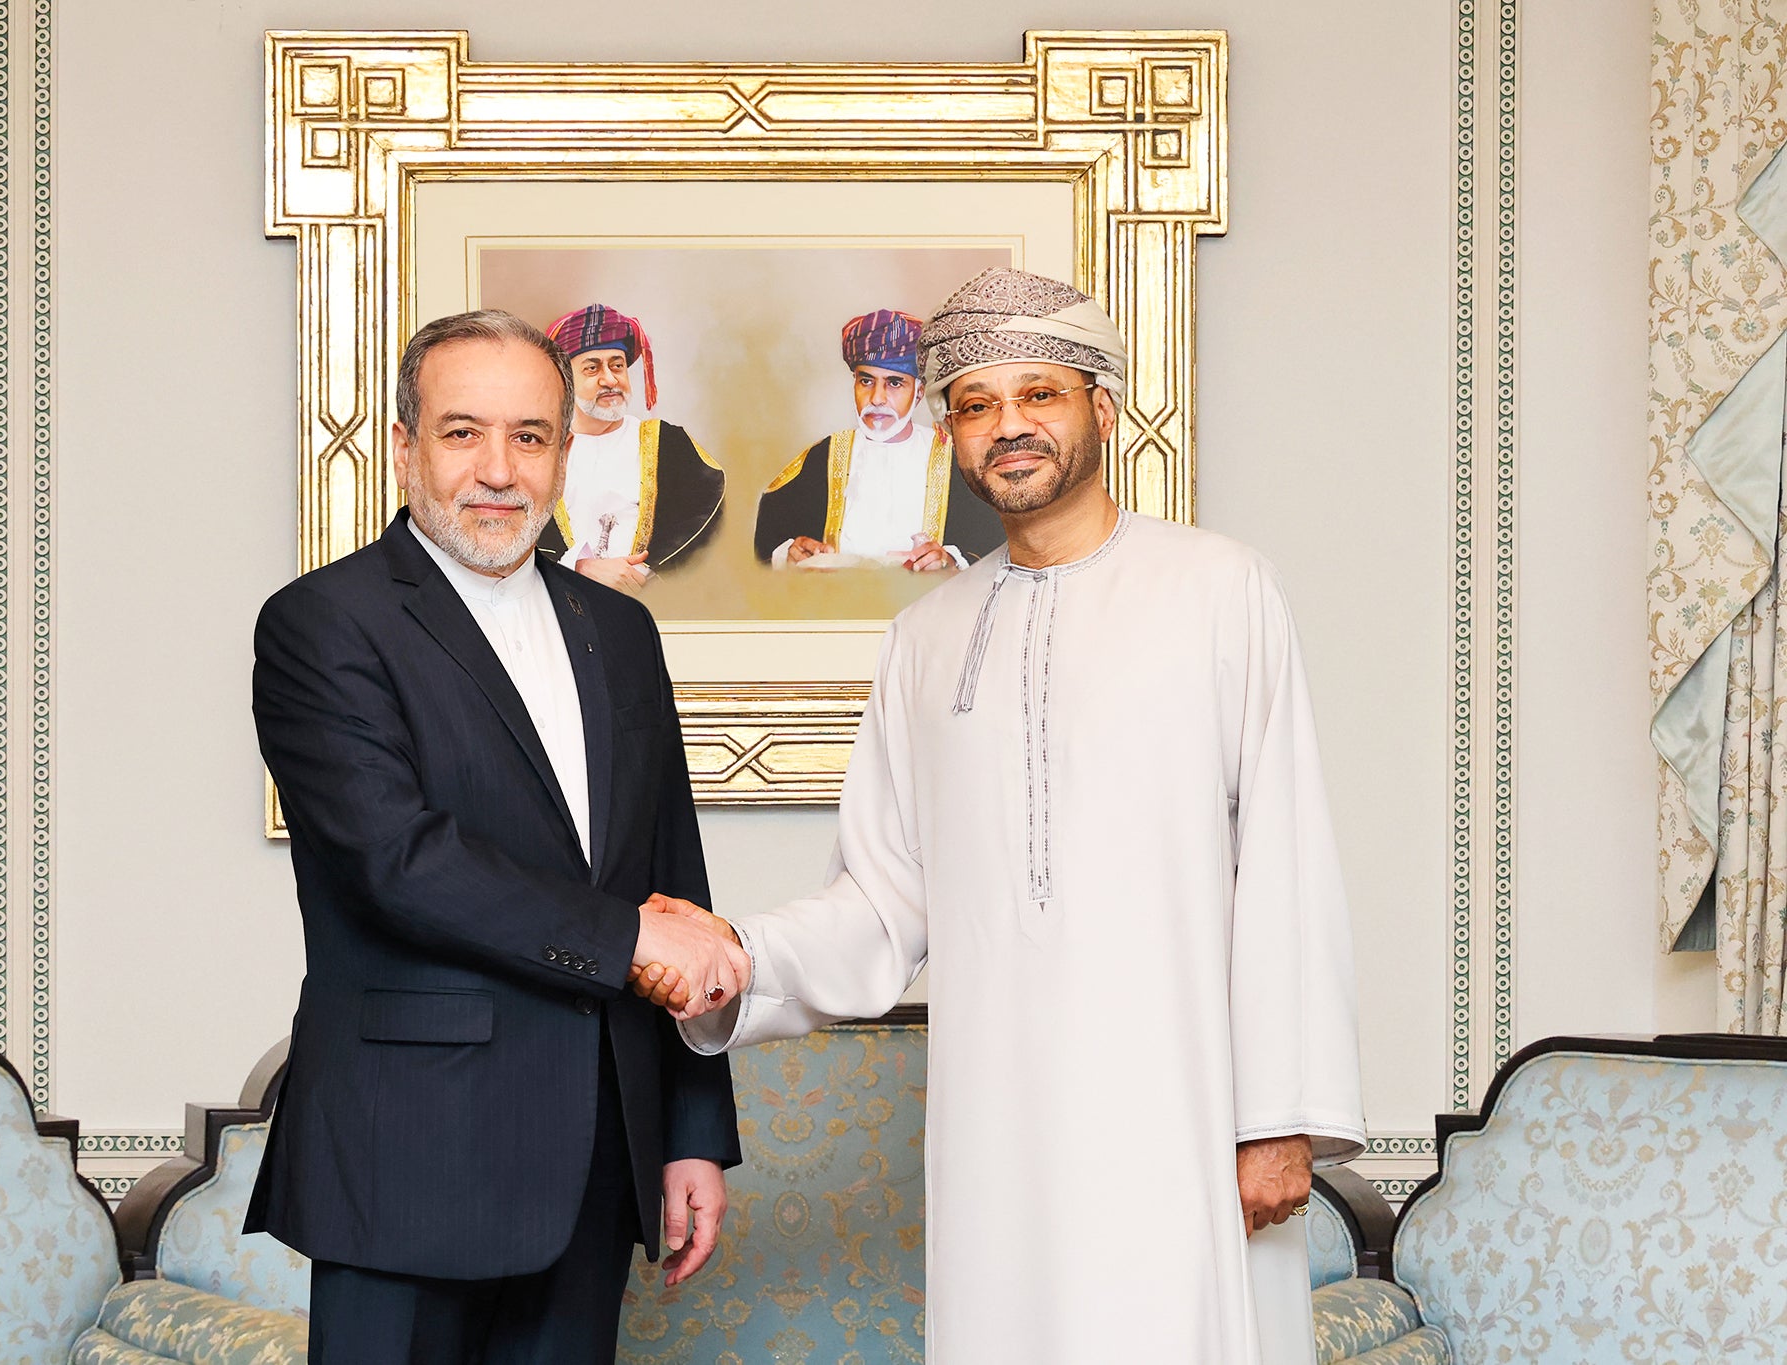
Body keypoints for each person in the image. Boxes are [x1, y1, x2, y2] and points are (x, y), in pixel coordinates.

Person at [635, 268, 1365, 1364]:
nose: (1007, 426)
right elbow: (881, 901)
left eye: (1040, 394)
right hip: (997, 1139)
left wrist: (1276, 1119)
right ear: (951, 435)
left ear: (1101, 411)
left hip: (1183, 1118)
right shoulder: (924, 638)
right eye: (975, 405)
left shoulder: (1220, 589)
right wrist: (734, 957)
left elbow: (1285, 862)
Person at [248, 308, 749, 1364]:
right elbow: (397, 862)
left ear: (564, 455)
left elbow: (671, 881)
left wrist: (692, 1135)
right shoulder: (320, 624)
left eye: (528, 436)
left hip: (600, 1155)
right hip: (409, 1156)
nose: (496, 469)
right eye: (461, 431)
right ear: (404, 447)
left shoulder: (618, 631)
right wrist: (628, 942)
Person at [754, 308, 1003, 570]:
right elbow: (770, 539)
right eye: (866, 381)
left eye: (894, 383)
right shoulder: (823, 457)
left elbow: (994, 543)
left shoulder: (956, 459)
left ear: (919, 392)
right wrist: (789, 553)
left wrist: (950, 560)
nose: (877, 398)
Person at [537, 304, 724, 591]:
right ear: (565, 380)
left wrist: (647, 575)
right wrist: (578, 566)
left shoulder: (668, 443)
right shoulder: (538, 452)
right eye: (592, 368)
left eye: (617, 365)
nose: (610, 380)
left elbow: (709, 514)